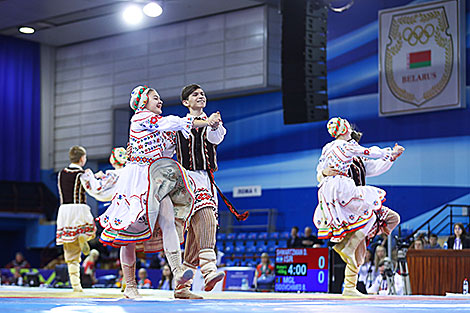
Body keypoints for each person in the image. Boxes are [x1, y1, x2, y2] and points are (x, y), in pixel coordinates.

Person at [98, 85, 218, 299]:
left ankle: (178, 271)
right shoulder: (140, 118)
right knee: (129, 234)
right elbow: (171, 123)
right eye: (155, 98)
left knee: (168, 219)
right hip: (136, 180)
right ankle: (131, 285)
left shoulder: (159, 128)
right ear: (143, 102)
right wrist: (200, 121)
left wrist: (202, 126)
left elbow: (170, 145)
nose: (160, 101)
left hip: (154, 179)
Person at [314, 117, 403, 297]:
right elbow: (321, 171)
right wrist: (324, 172)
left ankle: (349, 287)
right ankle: (350, 244)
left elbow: (374, 165)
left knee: (359, 254)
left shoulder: (355, 157)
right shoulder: (345, 149)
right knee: (374, 216)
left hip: (345, 199)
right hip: (348, 202)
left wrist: (391, 156)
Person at [173, 84, 227, 299]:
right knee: (206, 219)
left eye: (203, 93)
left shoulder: (213, 122)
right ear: (186, 102)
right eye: (195, 94)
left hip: (206, 178)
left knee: (197, 232)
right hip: (187, 178)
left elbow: (216, 139)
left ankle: (182, 288)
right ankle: (209, 270)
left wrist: (213, 124)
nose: (200, 96)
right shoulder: (178, 124)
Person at [56, 145, 97, 292]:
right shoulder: (83, 174)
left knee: (70, 252)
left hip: (65, 210)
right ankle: (83, 238)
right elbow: (94, 190)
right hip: (79, 208)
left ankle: (76, 285)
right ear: (82, 158)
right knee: (91, 231)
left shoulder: (61, 173)